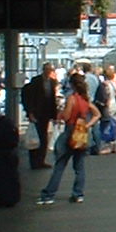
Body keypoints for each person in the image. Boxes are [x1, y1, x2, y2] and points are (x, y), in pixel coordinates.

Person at [37, 73, 98, 206]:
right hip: (81, 134)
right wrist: (87, 125)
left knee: (60, 165)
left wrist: (60, 114)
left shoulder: (72, 98)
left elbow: (66, 116)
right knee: (79, 167)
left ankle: (49, 195)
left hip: (70, 132)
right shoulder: (85, 99)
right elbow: (96, 114)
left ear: (71, 84)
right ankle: (78, 194)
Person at [21, 63, 59, 169]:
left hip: (46, 113)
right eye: (47, 69)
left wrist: (54, 116)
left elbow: (52, 100)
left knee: (43, 138)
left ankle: (41, 160)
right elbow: (31, 97)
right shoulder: (36, 81)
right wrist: (30, 113)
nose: (49, 72)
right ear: (43, 70)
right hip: (37, 113)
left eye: (50, 70)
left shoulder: (52, 82)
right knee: (35, 138)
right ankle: (34, 162)